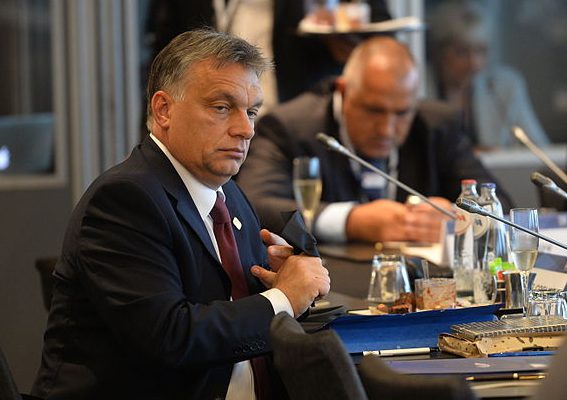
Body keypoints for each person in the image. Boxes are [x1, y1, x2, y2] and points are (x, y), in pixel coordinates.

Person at [32, 29, 330, 400]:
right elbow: (172, 337)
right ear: (164, 109)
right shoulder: (125, 200)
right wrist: (284, 298)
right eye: (221, 108)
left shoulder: (230, 197)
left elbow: (244, 315)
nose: (246, 129)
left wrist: (287, 287)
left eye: (252, 111)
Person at [237, 35, 513, 245]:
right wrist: (352, 221)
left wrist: (455, 216)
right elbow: (257, 206)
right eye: (373, 111)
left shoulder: (436, 126)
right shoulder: (289, 127)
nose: (386, 129)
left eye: (402, 113)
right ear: (343, 91)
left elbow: (499, 203)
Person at [426, 0, 550, 150]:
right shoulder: (421, 86)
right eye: (462, 51)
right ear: (439, 51)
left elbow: (540, 150)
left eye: (481, 50)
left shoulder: (504, 86)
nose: (474, 63)